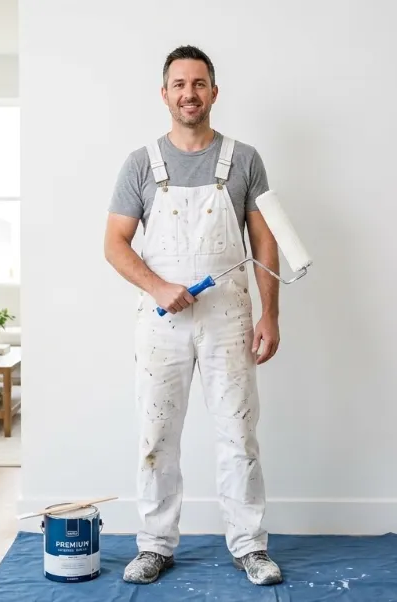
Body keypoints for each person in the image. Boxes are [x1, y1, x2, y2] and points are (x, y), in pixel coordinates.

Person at [103, 45, 284, 586]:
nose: (189, 93)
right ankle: (156, 545)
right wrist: (159, 287)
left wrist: (270, 315)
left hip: (229, 317)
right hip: (162, 323)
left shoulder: (245, 159)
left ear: (214, 91)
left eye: (199, 83)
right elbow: (114, 244)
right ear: (164, 94)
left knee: (238, 433)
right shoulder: (140, 163)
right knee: (157, 434)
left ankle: (249, 546)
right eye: (179, 84)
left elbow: (265, 244)